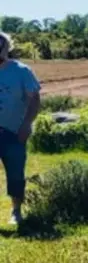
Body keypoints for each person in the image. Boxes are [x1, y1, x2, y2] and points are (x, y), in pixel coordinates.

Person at [0, 32, 41, 227]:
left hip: (13, 132)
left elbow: (34, 100)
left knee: (15, 173)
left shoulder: (22, 71)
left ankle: (16, 211)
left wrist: (26, 125)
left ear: (7, 47)